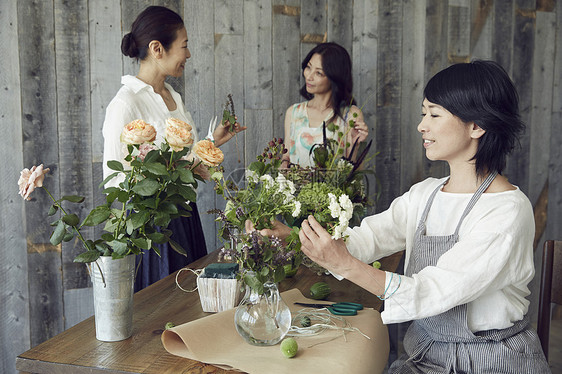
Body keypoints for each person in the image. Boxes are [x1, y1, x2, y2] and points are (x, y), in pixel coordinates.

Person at [268, 60, 550, 372]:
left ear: (476, 126)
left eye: (434, 114)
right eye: (422, 113)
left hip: (491, 361)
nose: (422, 125)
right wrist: (296, 238)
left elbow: (432, 291)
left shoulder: (506, 210)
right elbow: (367, 238)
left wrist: (345, 264)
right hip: (425, 355)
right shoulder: (425, 194)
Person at [102, 6, 245, 291]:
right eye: (184, 46)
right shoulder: (126, 103)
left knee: (189, 304)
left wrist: (211, 143)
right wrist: (175, 169)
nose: (188, 55)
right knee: (161, 307)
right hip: (152, 226)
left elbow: (185, 161)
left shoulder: (173, 97)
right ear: (157, 49)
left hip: (185, 217)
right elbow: (116, 181)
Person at [282, 42, 369, 167]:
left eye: (318, 73)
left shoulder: (350, 115)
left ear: (334, 78)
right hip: (295, 186)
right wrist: (280, 177)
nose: (309, 76)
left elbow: (353, 173)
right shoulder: (294, 112)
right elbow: (287, 156)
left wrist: (356, 145)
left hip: (336, 187)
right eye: (308, 67)